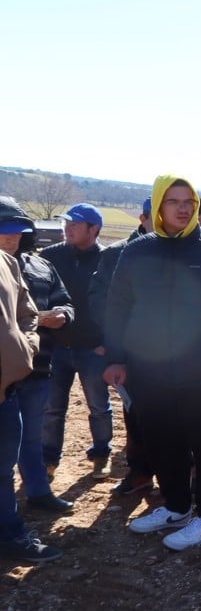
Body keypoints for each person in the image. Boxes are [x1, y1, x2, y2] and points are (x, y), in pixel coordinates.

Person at [103, 175, 201, 551]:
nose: (183, 207)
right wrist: (118, 357)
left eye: (188, 200)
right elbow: (118, 306)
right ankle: (176, 506)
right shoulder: (138, 252)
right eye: (173, 201)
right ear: (158, 207)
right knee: (162, 443)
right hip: (150, 372)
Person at [1, 224, 61, 562]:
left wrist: (26, 348)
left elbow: (26, 315)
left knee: (4, 465)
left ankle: (9, 533)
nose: (11, 238)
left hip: (9, 385)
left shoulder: (9, 265)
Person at [39, 202, 112, 479]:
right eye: (66, 223)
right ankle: (49, 460)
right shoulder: (50, 256)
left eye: (75, 224)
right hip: (56, 348)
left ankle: (101, 454)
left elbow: (118, 305)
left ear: (93, 229)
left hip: (93, 348)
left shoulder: (108, 260)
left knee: (98, 407)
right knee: (52, 408)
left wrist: (108, 343)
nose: (67, 228)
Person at [90, 198, 156, 495]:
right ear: (143, 218)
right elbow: (101, 303)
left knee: (178, 417)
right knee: (136, 414)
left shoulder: (185, 252)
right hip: (132, 352)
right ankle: (140, 472)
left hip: (176, 352)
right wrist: (113, 344)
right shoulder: (118, 254)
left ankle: (176, 481)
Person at [12, 216, 76, 514]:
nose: (11, 236)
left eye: (17, 230)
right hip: (3, 375)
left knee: (32, 436)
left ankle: (37, 491)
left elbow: (64, 301)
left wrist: (63, 314)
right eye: (4, 229)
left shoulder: (41, 266)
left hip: (37, 368)